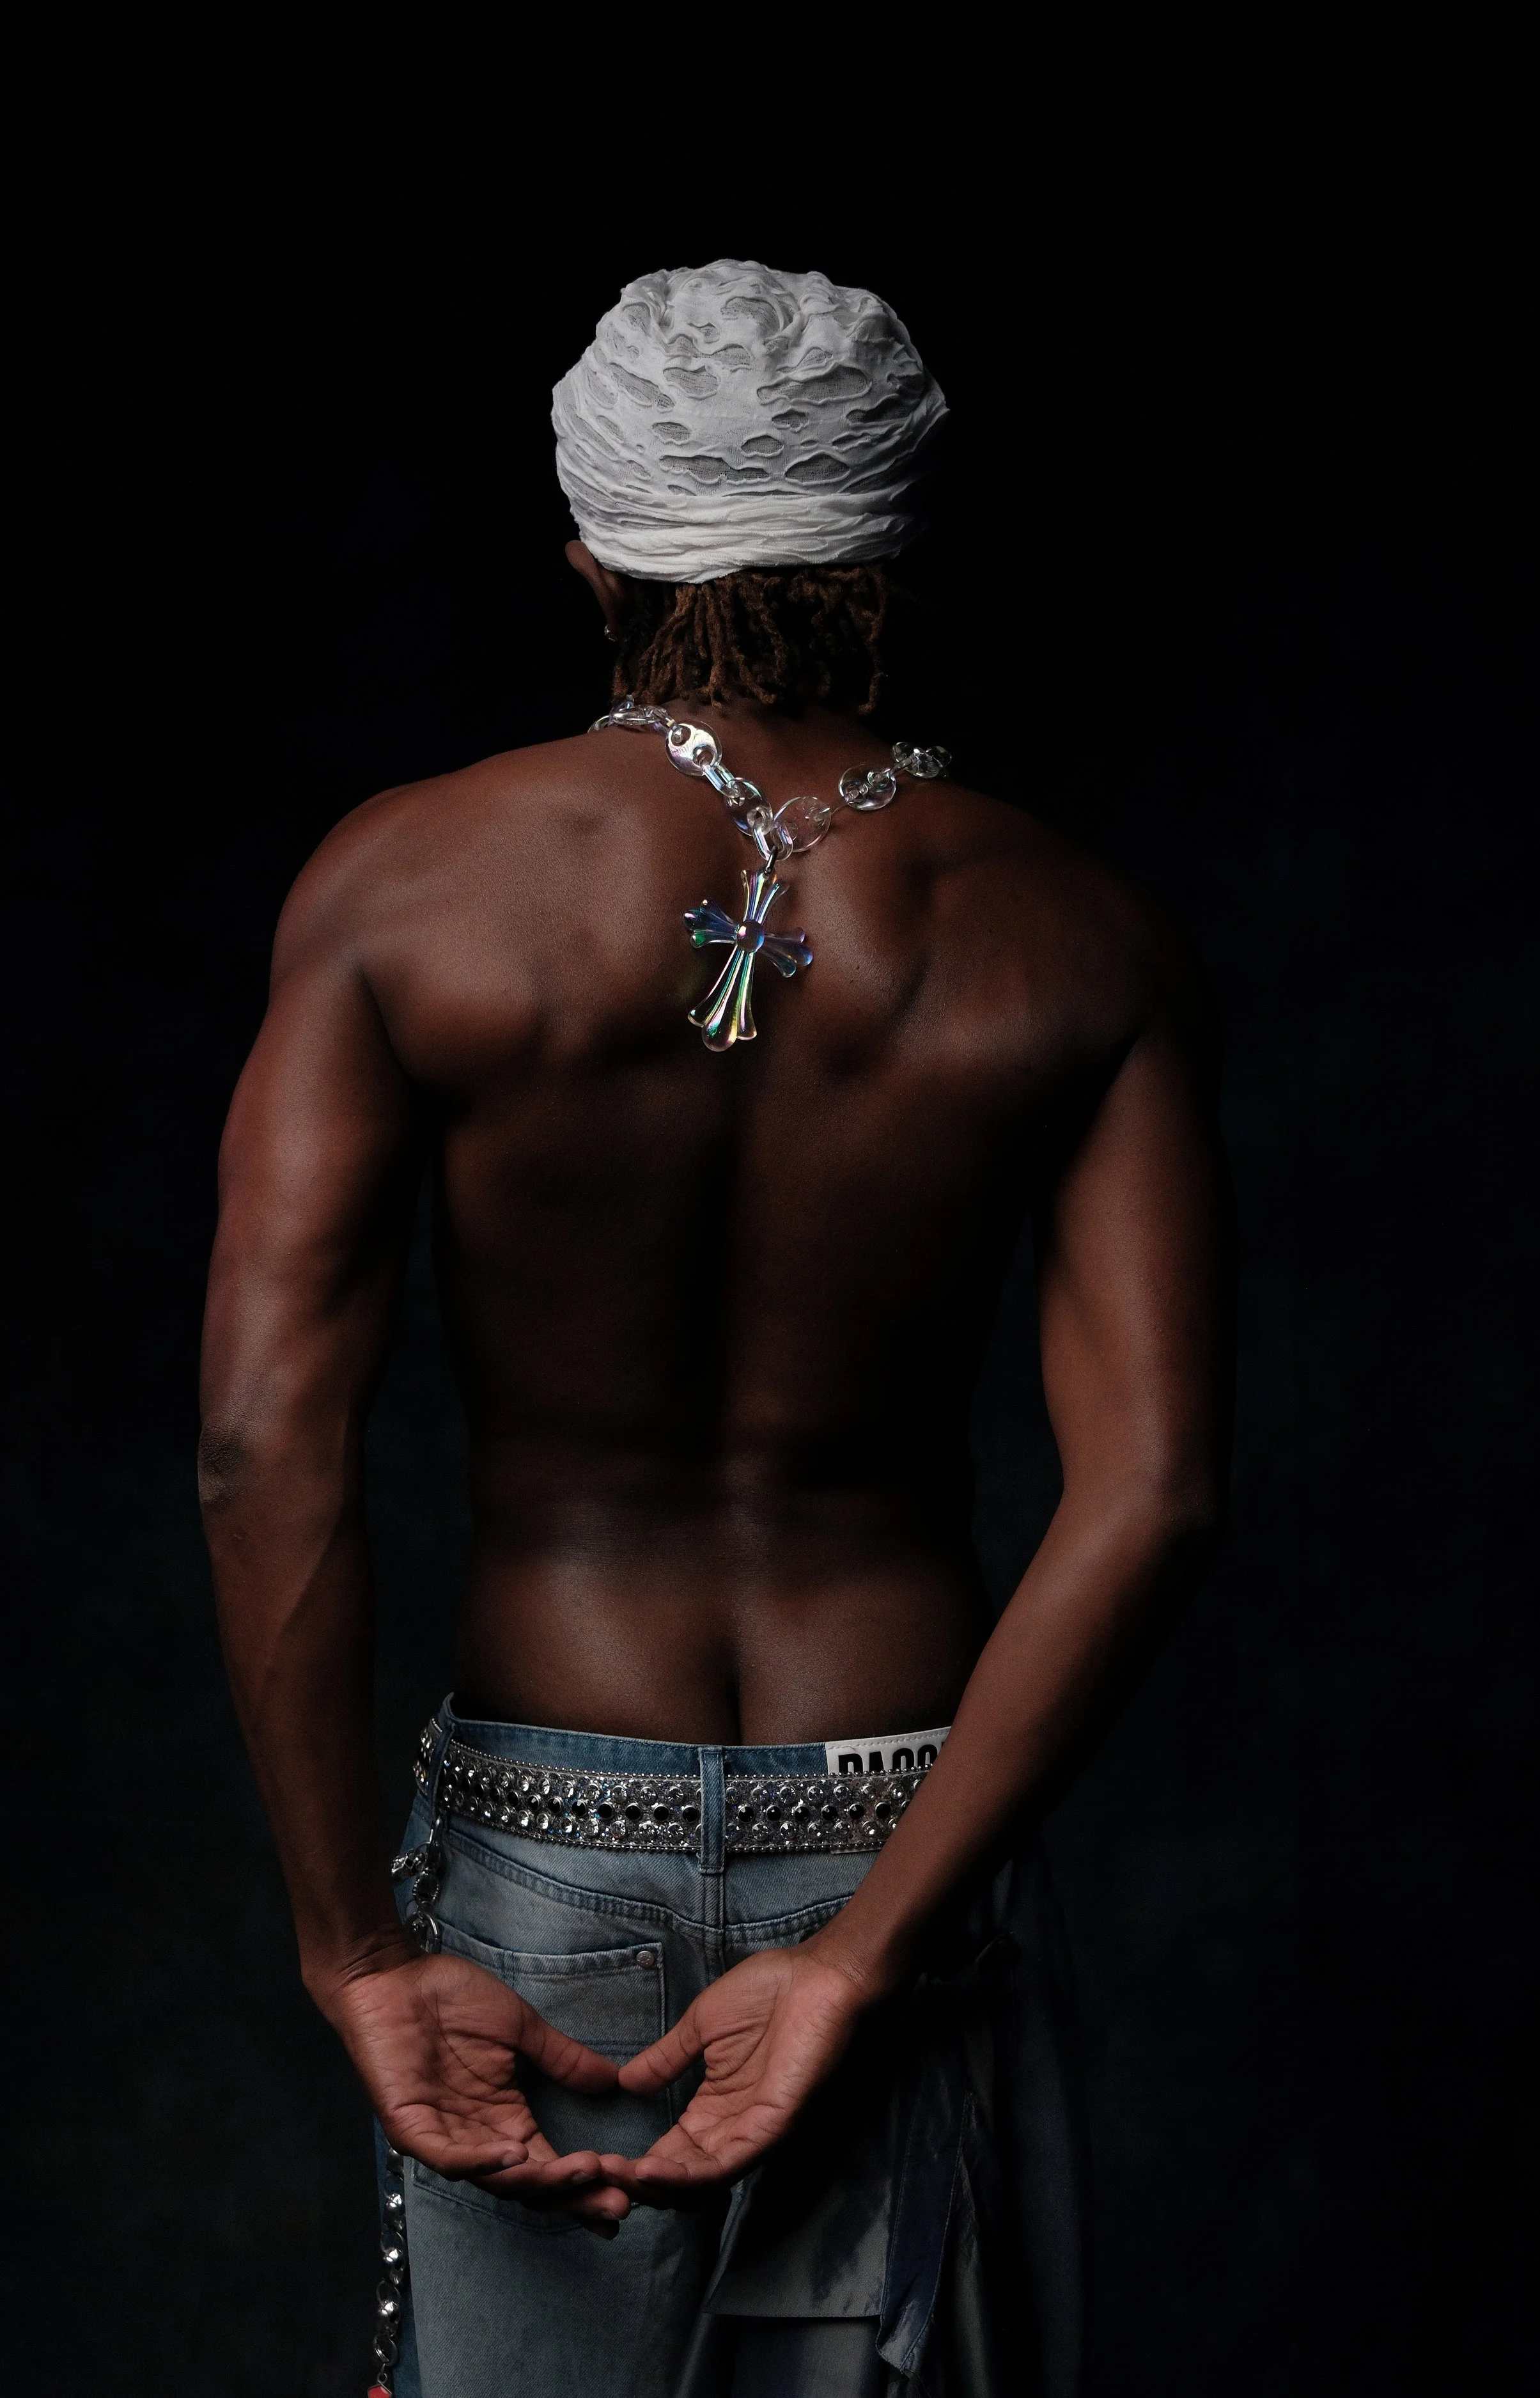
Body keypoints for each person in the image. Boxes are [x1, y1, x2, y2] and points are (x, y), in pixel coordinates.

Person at [199, 260, 1231, 2397]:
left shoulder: (407, 884)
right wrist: (864, 1946)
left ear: (590, 550)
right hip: (907, 1824)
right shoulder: (1077, 932)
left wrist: (355, 1945)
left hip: (537, 1841)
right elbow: (1147, 1488)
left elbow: (260, 1438)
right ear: (886, 551)